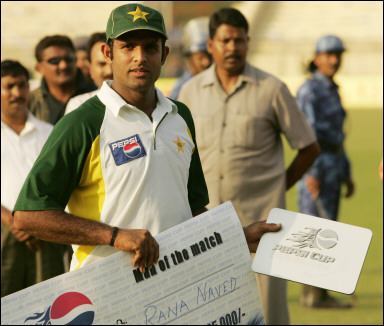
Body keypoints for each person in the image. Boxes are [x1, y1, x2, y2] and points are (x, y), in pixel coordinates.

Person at [12, 4, 281, 276]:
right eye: (128, 46)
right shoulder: (83, 123)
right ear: (108, 53)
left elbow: (193, 209)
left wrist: (237, 234)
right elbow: (27, 216)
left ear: (164, 54)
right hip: (108, 293)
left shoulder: (180, 116)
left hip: (177, 285)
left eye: (150, 47)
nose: (140, 57)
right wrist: (115, 236)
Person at [178, 8, 320, 325]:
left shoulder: (272, 89)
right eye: (225, 40)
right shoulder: (189, 92)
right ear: (210, 45)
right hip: (207, 226)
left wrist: (277, 186)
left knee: (268, 312)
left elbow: (308, 147)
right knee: (210, 310)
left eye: (239, 40)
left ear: (248, 43)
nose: (232, 47)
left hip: (264, 227)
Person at [296, 35, 355, 309]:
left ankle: (320, 292)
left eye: (338, 54)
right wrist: (313, 172)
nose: (334, 59)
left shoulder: (331, 88)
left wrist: (346, 171)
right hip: (316, 167)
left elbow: (337, 137)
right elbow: (308, 133)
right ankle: (312, 295)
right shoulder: (311, 90)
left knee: (328, 230)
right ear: (316, 57)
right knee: (314, 231)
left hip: (332, 164)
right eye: (329, 54)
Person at [1, 60, 67, 297]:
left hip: (44, 235)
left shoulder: (49, 132)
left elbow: (60, 184)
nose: (17, 93)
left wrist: (36, 222)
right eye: (9, 87)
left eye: (22, 86)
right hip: (4, 234)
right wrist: (12, 220)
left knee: (47, 304)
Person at [28, 35, 97, 125]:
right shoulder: (29, 102)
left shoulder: (96, 95)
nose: (63, 65)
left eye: (69, 59)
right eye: (54, 61)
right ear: (39, 68)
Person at [65, 32, 113, 115]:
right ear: (90, 69)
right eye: (102, 64)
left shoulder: (141, 104)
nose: (109, 71)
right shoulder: (79, 106)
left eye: (114, 64)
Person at [169, 17, 212, 100]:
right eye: (200, 58)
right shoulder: (182, 90)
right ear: (189, 58)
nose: (206, 62)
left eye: (210, 56)